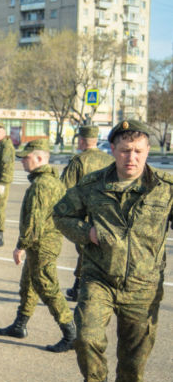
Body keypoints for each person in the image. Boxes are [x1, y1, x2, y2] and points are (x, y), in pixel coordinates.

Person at [54, 120, 172, 382]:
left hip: (143, 287)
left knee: (133, 362)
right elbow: (61, 215)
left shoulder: (165, 187)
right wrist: (86, 233)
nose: (131, 158)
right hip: (99, 279)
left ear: (148, 150)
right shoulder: (92, 185)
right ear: (113, 151)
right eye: (124, 151)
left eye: (137, 151)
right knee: (88, 337)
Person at [0, 138, 76, 353]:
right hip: (44, 241)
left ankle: (70, 332)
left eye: (26, 158)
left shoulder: (42, 185)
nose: (22, 161)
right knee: (28, 285)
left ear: (40, 158)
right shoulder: (52, 181)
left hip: (42, 244)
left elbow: (34, 222)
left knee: (47, 287)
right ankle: (20, 325)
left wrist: (20, 246)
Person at [60, 125, 113, 301]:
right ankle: (79, 288)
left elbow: (65, 188)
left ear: (81, 141)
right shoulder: (109, 160)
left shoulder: (78, 161)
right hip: (106, 214)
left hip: (85, 215)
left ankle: (84, 290)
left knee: (86, 252)